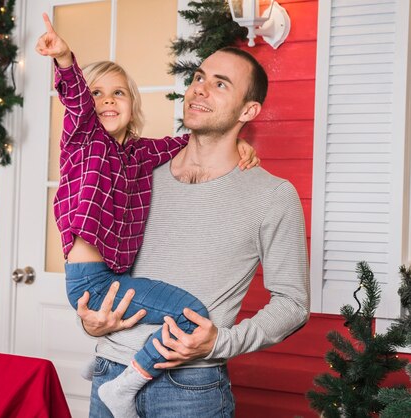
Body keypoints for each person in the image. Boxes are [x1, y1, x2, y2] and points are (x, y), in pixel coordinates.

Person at [35, 13, 261, 418]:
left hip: (114, 278)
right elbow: (76, 100)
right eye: (97, 93)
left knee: (186, 314)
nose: (106, 100)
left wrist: (239, 144)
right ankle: (125, 385)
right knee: (193, 315)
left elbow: (190, 142)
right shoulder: (83, 139)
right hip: (90, 280)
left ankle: (105, 367)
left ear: (132, 105)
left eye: (118, 93)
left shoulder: (140, 154)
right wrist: (66, 59)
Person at [76, 45, 310, 417]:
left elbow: (292, 303)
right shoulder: (137, 170)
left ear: (248, 111)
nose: (200, 88)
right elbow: (95, 260)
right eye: (199, 77)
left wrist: (222, 342)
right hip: (109, 370)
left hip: (190, 390)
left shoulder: (272, 196)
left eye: (220, 84)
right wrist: (90, 320)